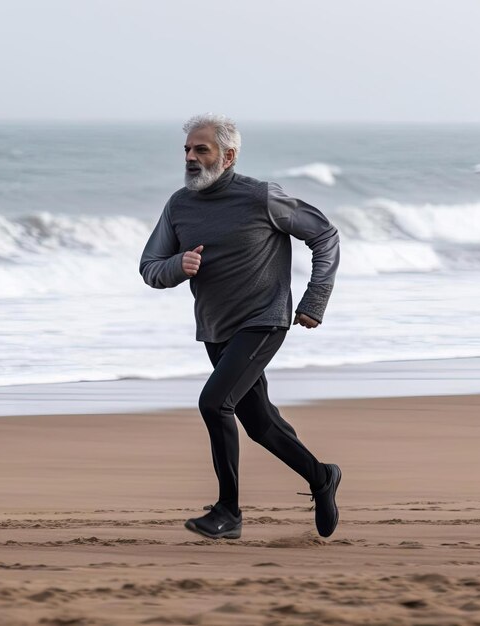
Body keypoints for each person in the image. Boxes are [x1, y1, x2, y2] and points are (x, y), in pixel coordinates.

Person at [139, 113, 341, 540]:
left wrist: (314, 299)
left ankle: (228, 511)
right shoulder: (179, 205)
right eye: (188, 150)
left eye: (202, 150)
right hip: (216, 327)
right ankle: (322, 477)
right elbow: (150, 267)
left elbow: (324, 235)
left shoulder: (262, 197)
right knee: (261, 423)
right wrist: (179, 265)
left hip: (263, 320)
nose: (191, 158)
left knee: (214, 404)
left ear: (227, 156)